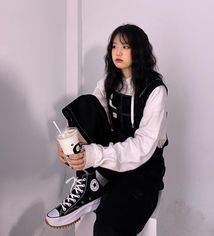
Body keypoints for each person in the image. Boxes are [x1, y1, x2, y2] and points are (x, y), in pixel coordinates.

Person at [45, 24, 168, 236]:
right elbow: (89, 117)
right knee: (86, 103)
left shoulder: (155, 90)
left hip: (143, 172)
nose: (117, 52)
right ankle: (89, 184)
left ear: (138, 50)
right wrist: (69, 145)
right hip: (109, 164)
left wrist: (94, 155)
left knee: (106, 227)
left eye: (125, 46)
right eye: (113, 46)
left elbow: (143, 147)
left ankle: (98, 186)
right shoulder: (109, 82)